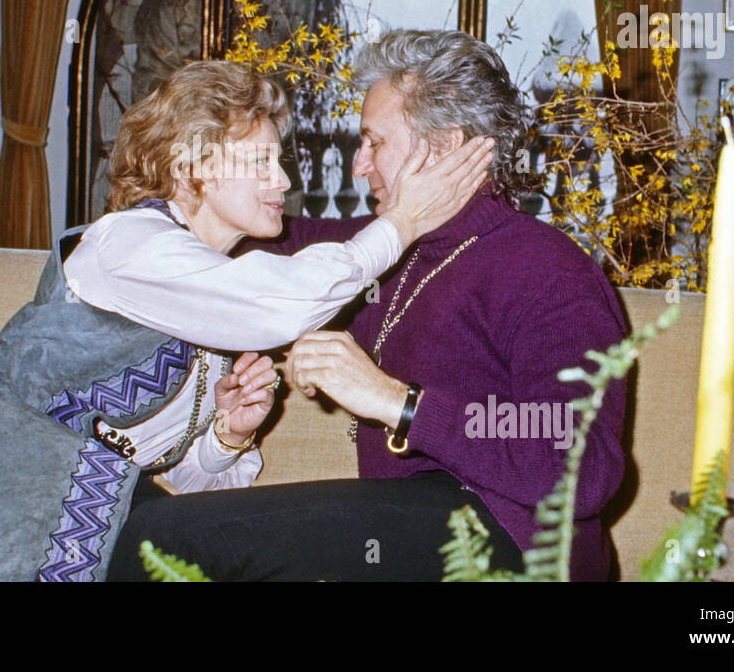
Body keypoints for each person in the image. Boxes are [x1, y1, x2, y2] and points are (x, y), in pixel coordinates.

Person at [0, 59, 493, 581]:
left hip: (37, 504)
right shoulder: (125, 242)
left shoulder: (207, 305)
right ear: (192, 164)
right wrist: (403, 224)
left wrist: (226, 438)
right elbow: (282, 300)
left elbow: (162, 491)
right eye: (261, 161)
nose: (285, 181)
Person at [109, 30, 629, 582]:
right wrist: (184, 173)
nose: (360, 166)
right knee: (133, 509)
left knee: (161, 540)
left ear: (445, 146)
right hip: (406, 541)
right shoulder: (381, 251)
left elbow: (583, 462)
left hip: (509, 544)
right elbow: (252, 237)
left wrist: (400, 403)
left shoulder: (546, 266)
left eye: (374, 142)